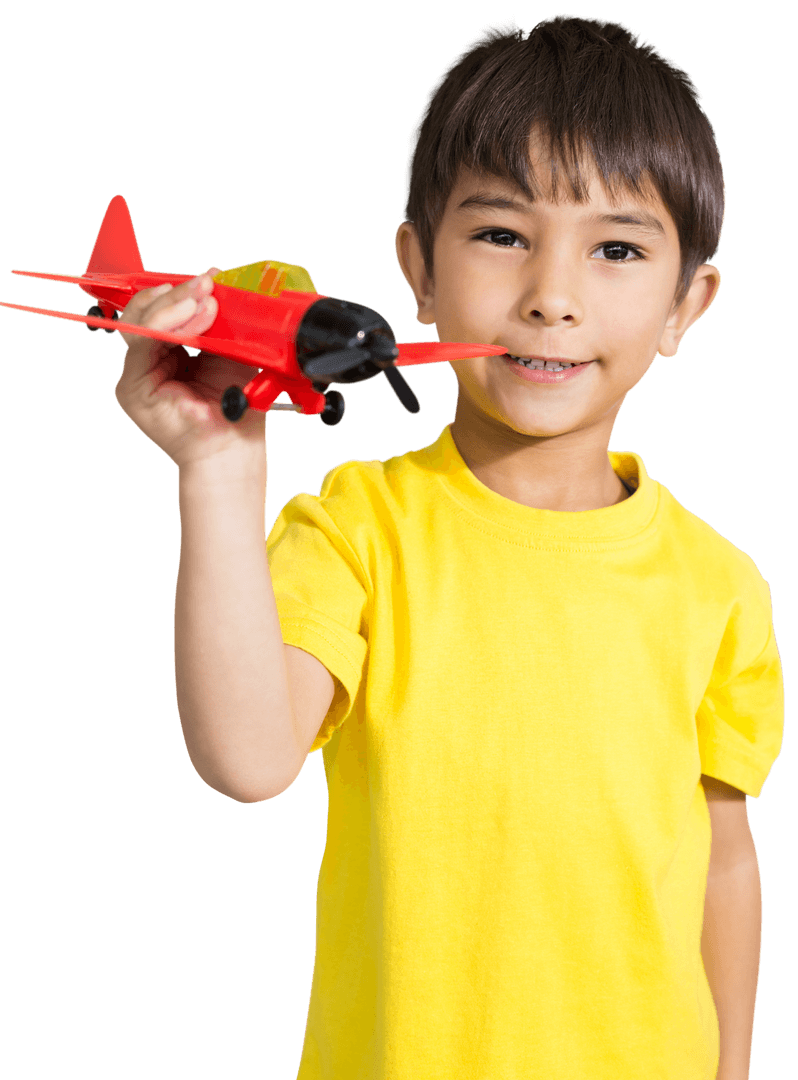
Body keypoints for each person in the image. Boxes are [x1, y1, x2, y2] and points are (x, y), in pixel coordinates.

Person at [113, 15, 784, 1080]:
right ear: (418, 269)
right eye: (502, 234)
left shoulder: (722, 589)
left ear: (684, 304)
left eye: (616, 248)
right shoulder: (358, 531)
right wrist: (220, 471)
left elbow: (725, 861)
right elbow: (247, 762)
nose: (550, 296)